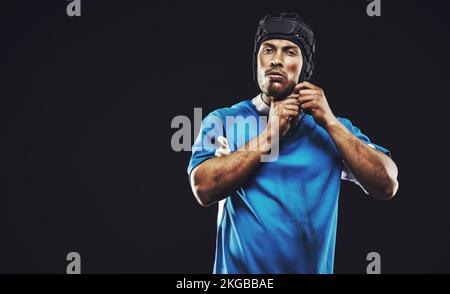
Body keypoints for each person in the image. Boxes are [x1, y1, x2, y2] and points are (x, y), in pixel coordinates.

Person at [187, 12, 399, 274]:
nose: (276, 60)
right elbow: (203, 188)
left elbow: (387, 183)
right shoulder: (223, 121)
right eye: (267, 50)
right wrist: (270, 134)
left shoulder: (331, 128)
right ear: (257, 59)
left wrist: (331, 123)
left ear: (304, 67)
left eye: (289, 51)